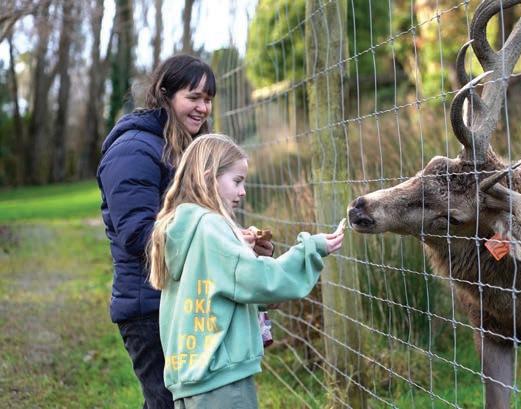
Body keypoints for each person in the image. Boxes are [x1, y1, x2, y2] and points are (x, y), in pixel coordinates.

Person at [146, 134, 344, 408]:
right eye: (237, 181)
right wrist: (310, 250)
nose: (243, 192)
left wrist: (244, 251)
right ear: (208, 178)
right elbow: (260, 281)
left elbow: (223, 285)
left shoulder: (182, 225)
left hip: (190, 377)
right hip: (221, 379)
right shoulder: (212, 226)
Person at [97, 54, 218, 409]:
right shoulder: (133, 150)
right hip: (148, 307)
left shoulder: (183, 149)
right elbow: (138, 235)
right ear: (165, 95)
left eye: (208, 99)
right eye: (193, 97)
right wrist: (208, 240)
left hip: (181, 300)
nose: (203, 108)